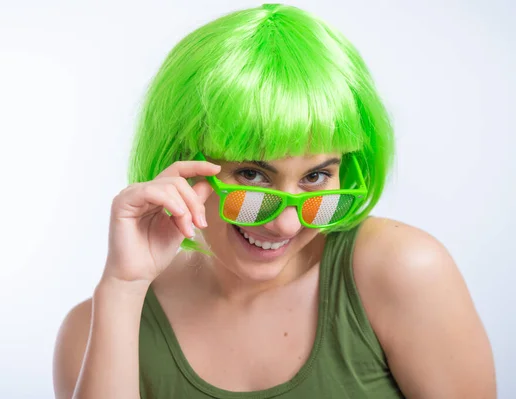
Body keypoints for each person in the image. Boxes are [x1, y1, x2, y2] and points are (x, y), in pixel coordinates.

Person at [52, 4, 496, 398]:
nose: (285, 224)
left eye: (316, 176)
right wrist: (124, 290)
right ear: (180, 163)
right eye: (251, 175)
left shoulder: (402, 272)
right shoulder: (94, 332)